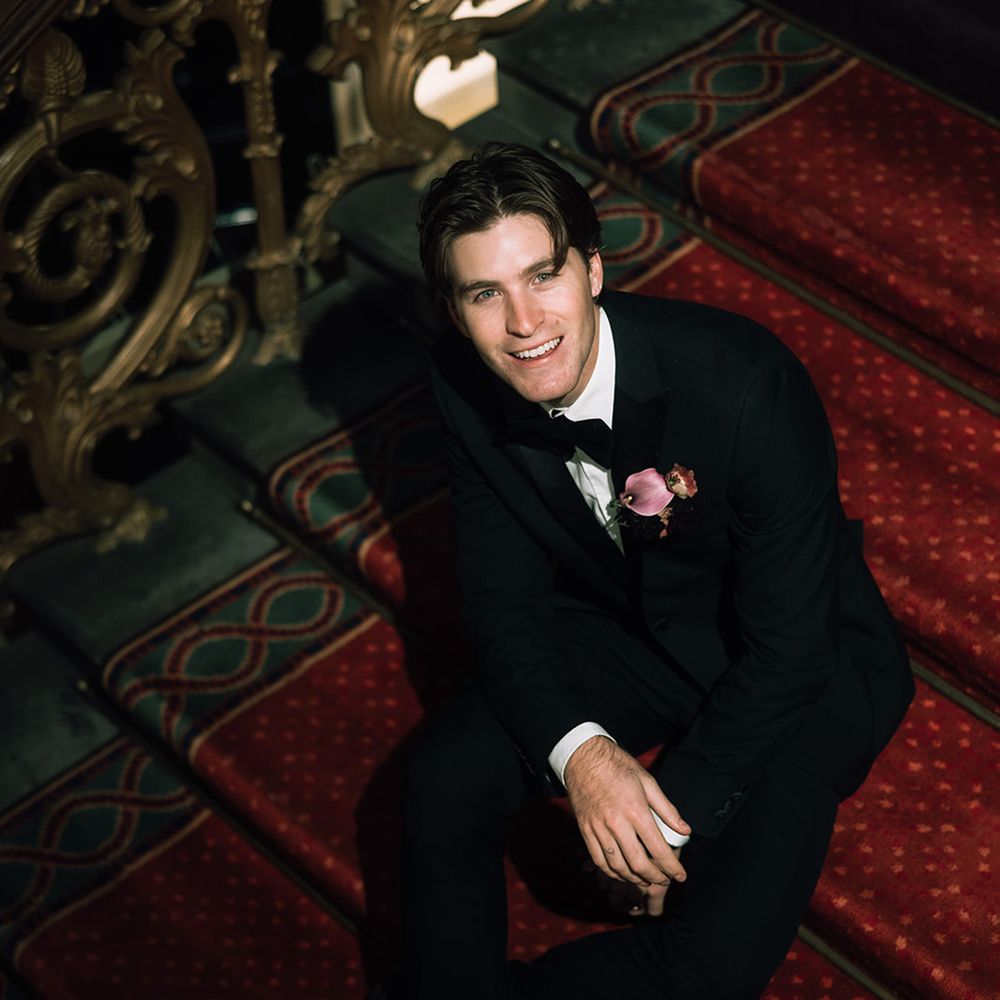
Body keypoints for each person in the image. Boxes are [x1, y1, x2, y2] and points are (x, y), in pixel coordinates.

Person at [400, 141, 913, 999]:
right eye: (486, 293)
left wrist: (661, 823)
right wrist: (584, 756)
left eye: (544, 275)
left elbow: (790, 647)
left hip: (788, 669)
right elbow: (502, 604)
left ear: (595, 269)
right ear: (456, 312)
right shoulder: (463, 387)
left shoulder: (746, 382)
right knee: (441, 780)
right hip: (623, 626)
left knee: (709, 969)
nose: (523, 323)